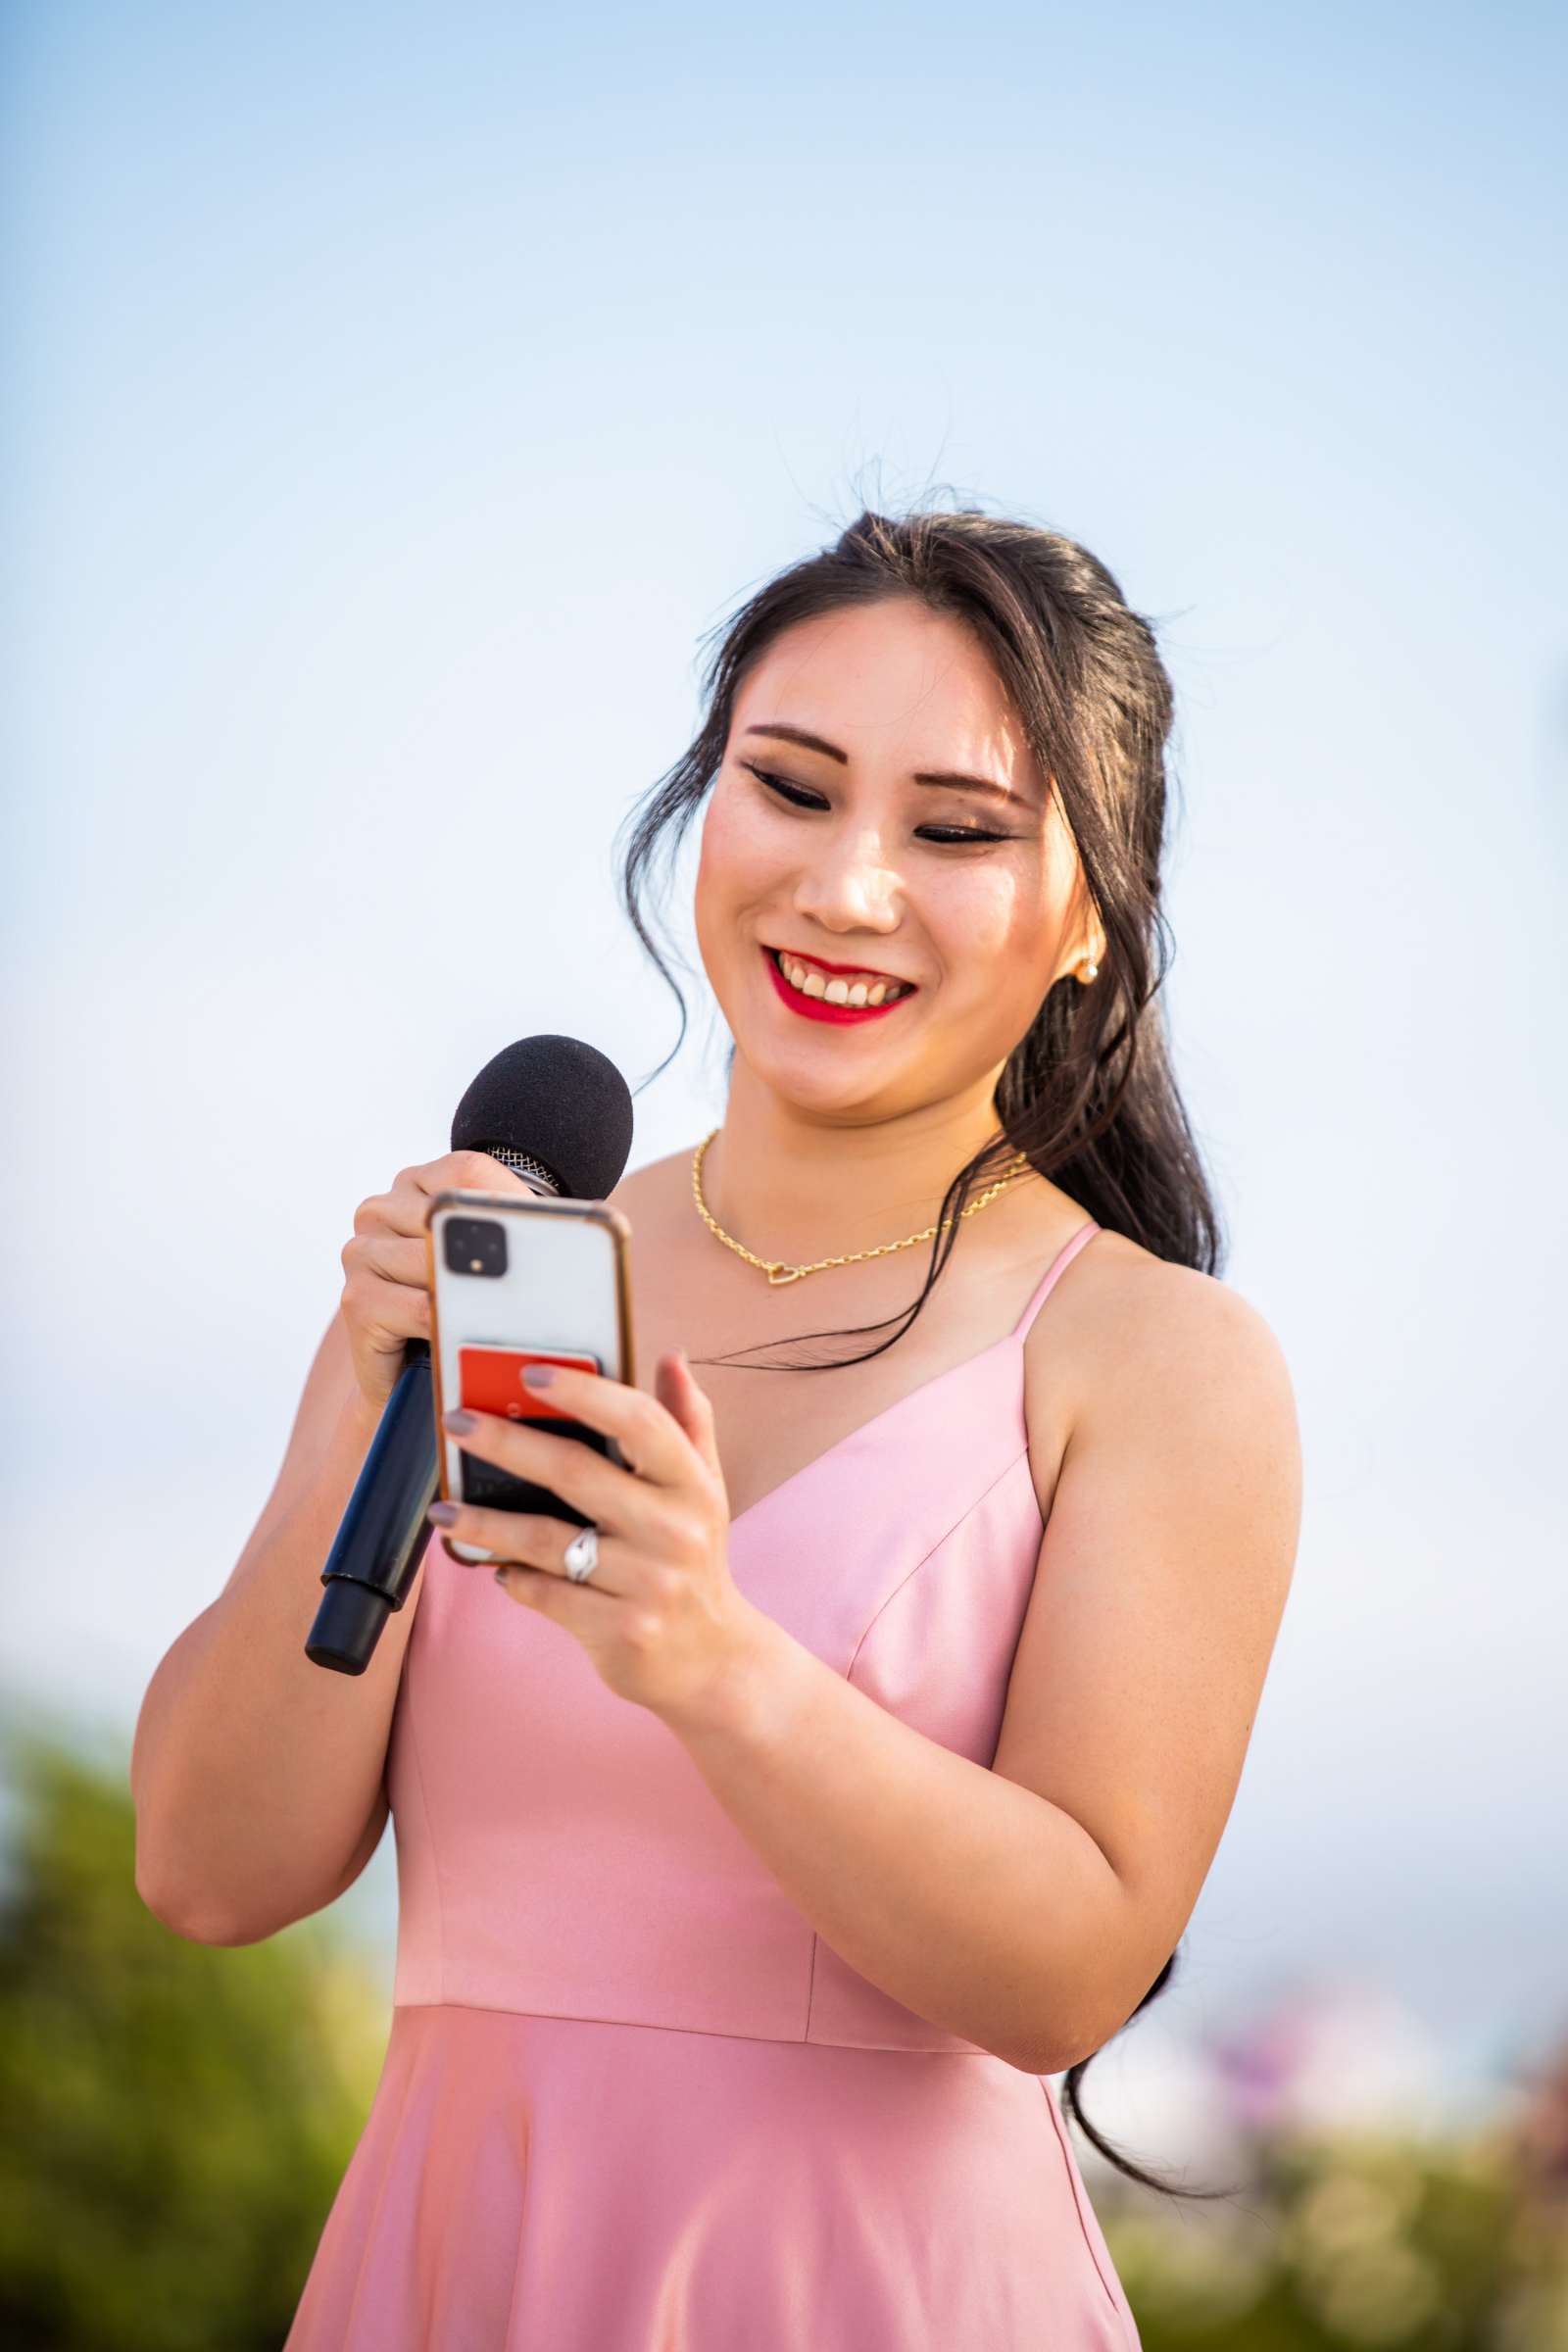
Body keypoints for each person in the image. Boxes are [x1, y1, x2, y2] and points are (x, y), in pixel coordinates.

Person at [132, 506, 1301, 2349]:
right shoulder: (512, 1275)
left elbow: (1071, 1970)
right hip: (460, 2275)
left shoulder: (1157, 1360)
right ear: (706, 807)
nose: (847, 888)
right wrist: (364, 1387)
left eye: (956, 830)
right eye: (792, 787)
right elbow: (208, 1865)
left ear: (1091, 916)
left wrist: (710, 1659)